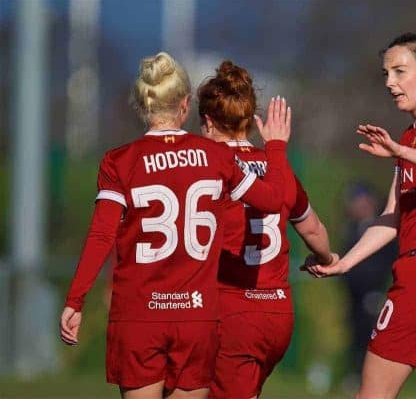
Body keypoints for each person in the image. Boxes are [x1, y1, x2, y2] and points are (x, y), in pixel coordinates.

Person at [59, 52, 292, 399]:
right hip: (196, 316)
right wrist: (274, 147)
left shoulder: (119, 162)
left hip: (140, 315)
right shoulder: (217, 157)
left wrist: (75, 300)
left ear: (142, 105)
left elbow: (102, 235)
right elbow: (273, 200)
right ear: (185, 105)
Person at [303, 32, 416, 398]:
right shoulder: (410, 136)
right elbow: (392, 217)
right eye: (386, 74)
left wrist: (400, 153)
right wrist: (345, 263)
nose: (390, 82)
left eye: (400, 71)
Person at [197, 61, 336, 399]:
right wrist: (327, 258)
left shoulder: (207, 167)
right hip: (277, 313)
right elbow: (315, 230)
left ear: (209, 122)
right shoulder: (277, 169)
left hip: (234, 313)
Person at [340, 182, 396, 379]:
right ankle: (355, 374)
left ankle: (372, 376)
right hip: (354, 292)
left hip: (375, 292)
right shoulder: (351, 228)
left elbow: (388, 260)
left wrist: (380, 289)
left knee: (373, 337)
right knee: (356, 333)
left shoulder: (383, 226)